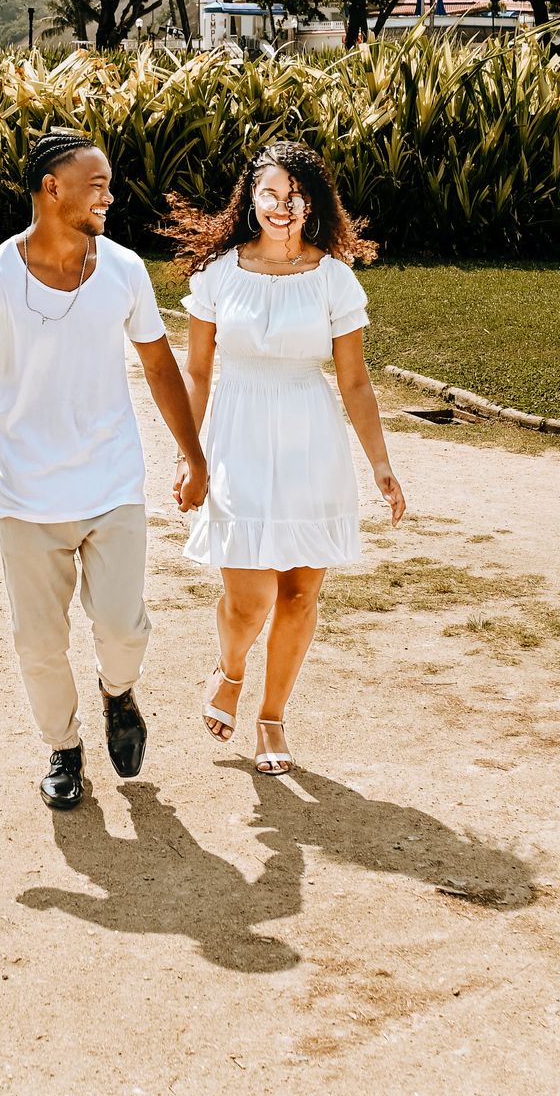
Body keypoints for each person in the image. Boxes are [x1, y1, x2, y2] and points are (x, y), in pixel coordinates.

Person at [0, 131, 206, 811]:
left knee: (122, 626)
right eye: (97, 184)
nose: (109, 196)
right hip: (27, 497)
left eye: (109, 184)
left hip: (111, 484)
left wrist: (194, 455)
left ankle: (118, 692)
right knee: (39, 643)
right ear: (52, 188)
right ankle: (64, 747)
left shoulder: (122, 270)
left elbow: (159, 364)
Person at [162, 141, 406, 776]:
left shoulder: (334, 279)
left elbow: (354, 382)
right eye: (269, 193)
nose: (281, 205)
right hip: (237, 437)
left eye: (294, 194)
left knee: (299, 593)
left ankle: (272, 716)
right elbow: (197, 373)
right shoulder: (218, 274)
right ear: (252, 199)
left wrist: (380, 464)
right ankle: (231, 668)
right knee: (249, 597)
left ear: (311, 202)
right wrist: (189, 456)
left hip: (309, 439)